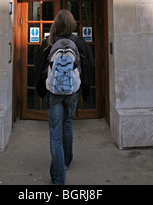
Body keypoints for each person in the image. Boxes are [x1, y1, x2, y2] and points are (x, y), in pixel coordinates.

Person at [34, 9, 94, 185]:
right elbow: (89, 66)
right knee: (67, 124)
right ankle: (66, 161)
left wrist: (41, 91)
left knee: (55, 133)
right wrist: (85, 90)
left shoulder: (49, 42)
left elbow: (38, 69)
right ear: (72, 23)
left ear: (56, 23)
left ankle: (58, 177)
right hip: (72, 91)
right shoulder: (80, 43)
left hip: (53, 93)